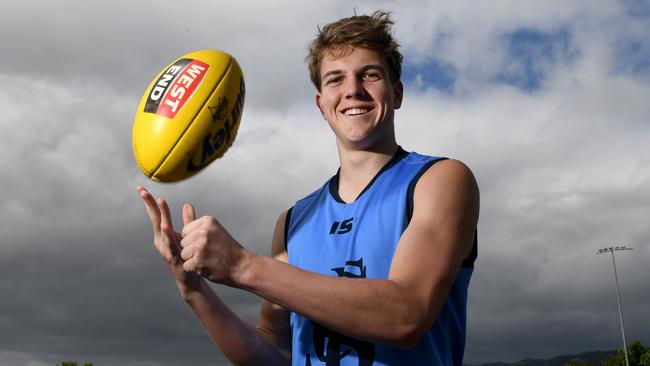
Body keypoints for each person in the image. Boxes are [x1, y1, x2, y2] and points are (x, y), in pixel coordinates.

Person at [137, 10, 479, 366]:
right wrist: (191, 287)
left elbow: (407, 313)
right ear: (321, 104)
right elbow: (276, 351)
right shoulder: (293, 221)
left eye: (370, 75)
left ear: (397, 92)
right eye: (335, 79)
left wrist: (241, 265)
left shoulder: (439, 180)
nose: (352, 90)